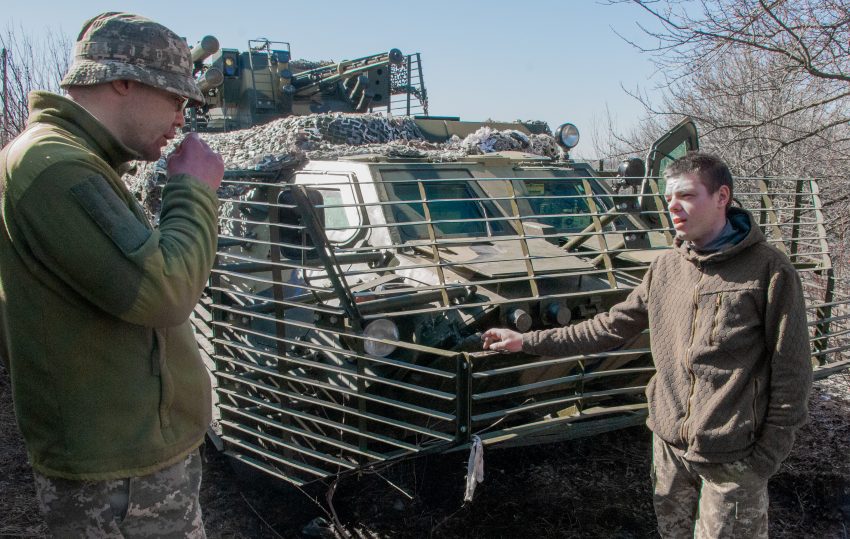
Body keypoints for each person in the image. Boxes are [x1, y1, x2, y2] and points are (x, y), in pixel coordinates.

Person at [482, 152, 812, 538]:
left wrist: (765, 459)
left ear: (722, 196)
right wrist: (527, 340)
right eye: (669, 197)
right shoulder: (666, 267)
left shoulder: (770, 272)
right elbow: (609, 327)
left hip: (733, 460)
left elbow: (793, 372)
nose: (673, 206)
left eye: (686, 195)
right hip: (670, 450)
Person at [0, 12, 224, 537]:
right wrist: (193, 189)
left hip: (128, 460)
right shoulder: (56, 166)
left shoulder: (65, 160)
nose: (181, 119)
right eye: (174, 98)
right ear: (121, 81)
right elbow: (165, 292)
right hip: (122, 474)